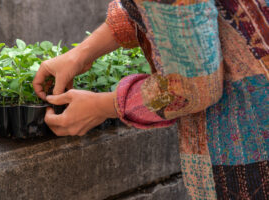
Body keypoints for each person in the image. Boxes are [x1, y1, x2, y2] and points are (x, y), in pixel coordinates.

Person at [33, 0, 268, 199]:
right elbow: (172, 10)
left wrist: (105, 105)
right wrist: (82, 52)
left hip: (250, 148)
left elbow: (191, 88)